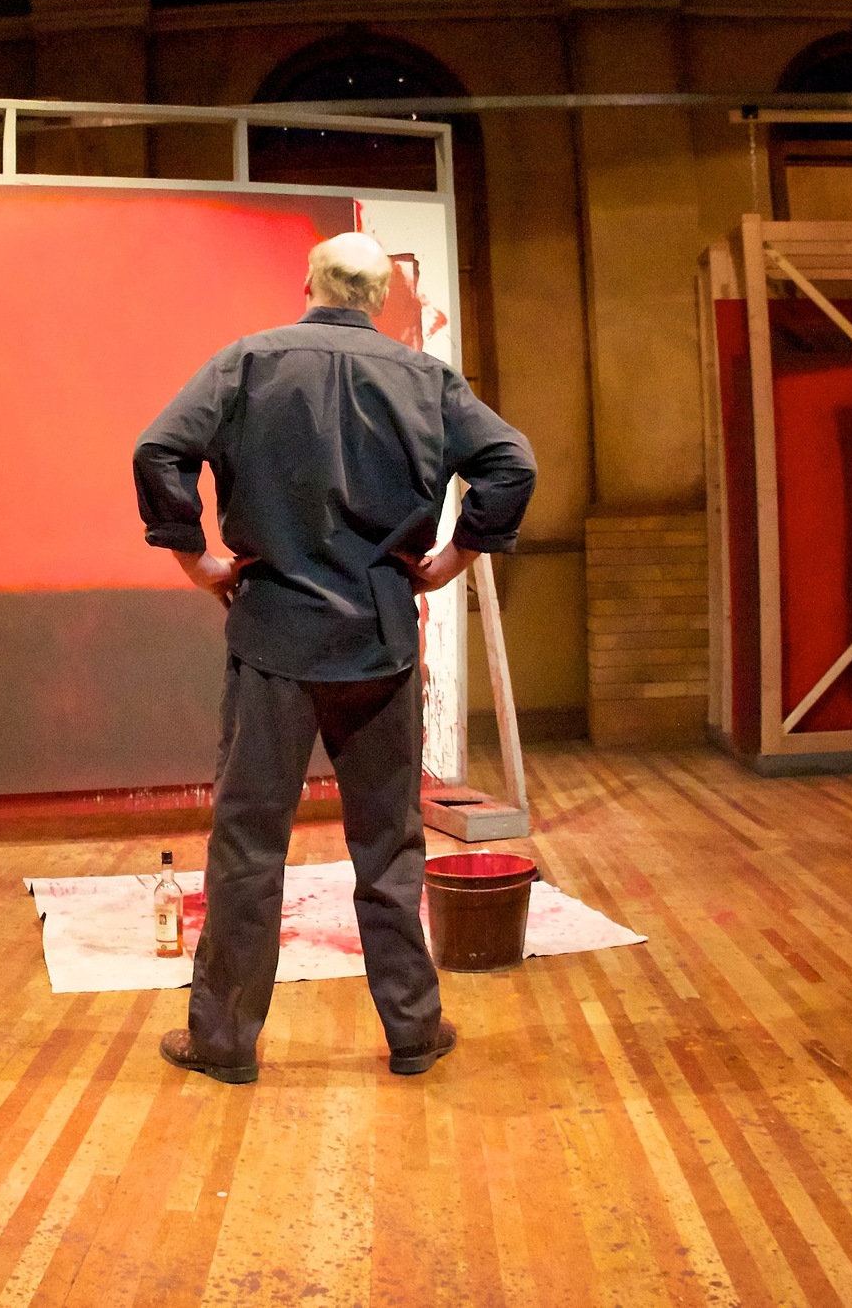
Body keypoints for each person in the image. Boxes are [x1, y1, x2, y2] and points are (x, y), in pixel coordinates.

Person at [131, 231, 536, 1083]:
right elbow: (512, 463)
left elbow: (157, 449)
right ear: (381, 299)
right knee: (389, 847)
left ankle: (225, 1042)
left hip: (273, 642)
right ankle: (413, 1032)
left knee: (249, 845)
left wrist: (196, 559)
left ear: (308, 283)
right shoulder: (426, 380)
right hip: (381, 645)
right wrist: (453, 559)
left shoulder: (248, 362)